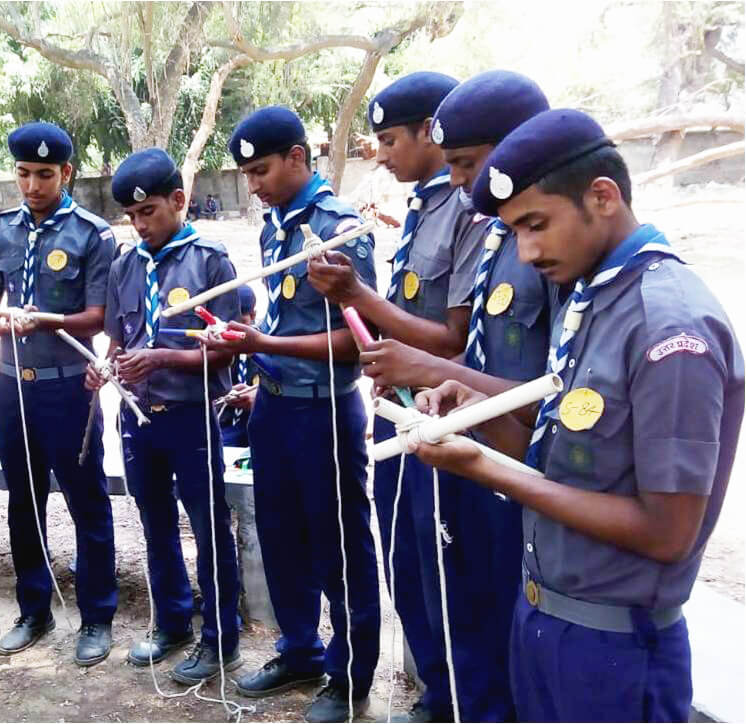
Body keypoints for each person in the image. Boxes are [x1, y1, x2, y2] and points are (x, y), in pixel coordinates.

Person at [408, 107, 743, 723]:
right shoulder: (591, 298)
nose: (528, 252)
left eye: (536, 225)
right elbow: (565, 460)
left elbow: (668, 532)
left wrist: (487, 471)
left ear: (603, 196)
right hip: (544, 617)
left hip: (616, 647)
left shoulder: (669, 326)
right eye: (514, 233)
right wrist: (477, 412)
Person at [326, 70, 553, 722]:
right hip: (467, 430)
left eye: (470, 164)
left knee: (496, 598)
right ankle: (453, 698)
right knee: (446, 579)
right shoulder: (492, 232)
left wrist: (422, 363)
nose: (464, 182)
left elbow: (480, 349)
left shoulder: (537, 241)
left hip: (523, 458)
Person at [308, 71, 483, 721]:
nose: (381, 154)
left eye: (390, 140)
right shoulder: (420, 205)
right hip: (398, 413)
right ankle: (437, 692)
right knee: (406, 565)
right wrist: (381, 348)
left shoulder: (467, 209)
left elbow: (453, 337)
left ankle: (463, 700)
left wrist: (359, 298)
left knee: (448, 569)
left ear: (431, 134)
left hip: (444, 415)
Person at [203, 106, 381, 722]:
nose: (252, 185)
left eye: (261, 171)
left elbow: (359, 340)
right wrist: (250, 348)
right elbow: (284, 322)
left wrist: (263, 347)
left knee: (338, 544)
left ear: (299, 158)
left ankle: (350, 672)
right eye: (246, 174)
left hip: (325, 415)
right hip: (273, 407)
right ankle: (300, 649)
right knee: (281, 539)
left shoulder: (337, 228)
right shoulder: (276, 224)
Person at [91, 147, 242, 683]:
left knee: (207, 527)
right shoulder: (126, 263)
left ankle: (222, 636)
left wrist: (161, 357)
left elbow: (226, 349)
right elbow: (117, 336)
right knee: (154, 523)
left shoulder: (210, 260)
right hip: (138, 418)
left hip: (191, 415)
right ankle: (172, 620)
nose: (139, 225)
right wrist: (103, 369)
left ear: (178, 201)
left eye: (148, 211)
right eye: (131, 217)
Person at [0, 121, 118, 666]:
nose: (32, 186)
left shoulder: (92, 233)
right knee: (23, 502)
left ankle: (97, 617)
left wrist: (47, 321)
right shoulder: (3, 227)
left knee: (87, 502)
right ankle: (35, 609)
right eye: (23, 174)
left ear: (67, 174)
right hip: (11, 386)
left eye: (44, 175)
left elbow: (98, 316)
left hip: (67, 391)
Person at [218, 285, 258, 447]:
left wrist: (259, 398)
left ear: (253, 316)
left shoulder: (265, 348)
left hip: (253, 427)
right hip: (222, 426)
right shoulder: (215, 347)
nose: (234, 331)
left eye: (242, 322)